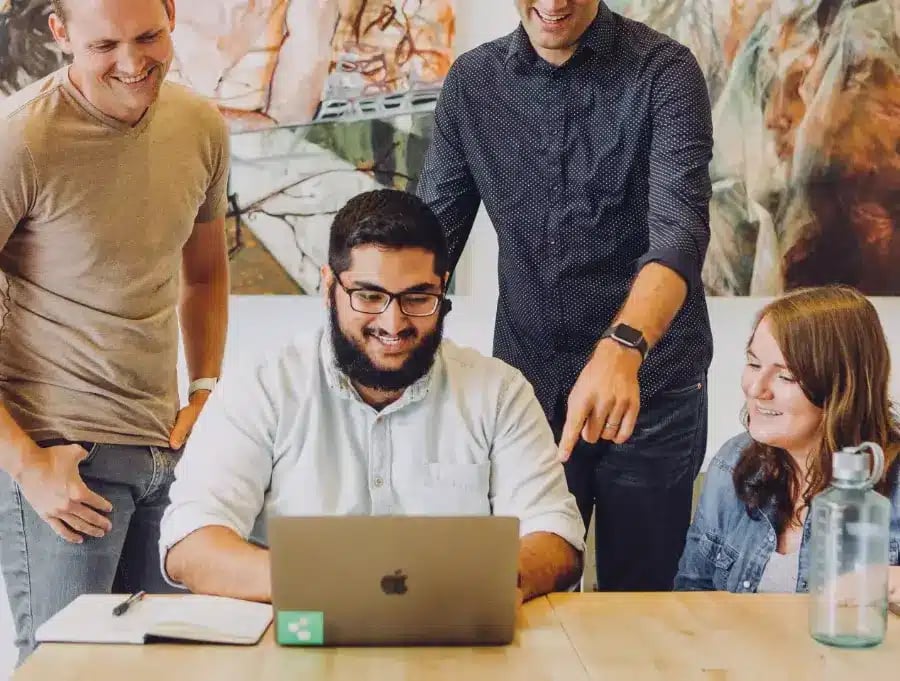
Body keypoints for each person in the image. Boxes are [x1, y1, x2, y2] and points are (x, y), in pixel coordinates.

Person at [159, 189, 585, 603]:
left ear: (443, 287)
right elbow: (190, 541)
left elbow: (556, 533)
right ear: (329, 287)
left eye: (418, 297)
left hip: (455, 646)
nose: (393, 323)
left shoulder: (499, 393)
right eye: (369, 295)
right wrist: (330, 588)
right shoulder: (262, 386)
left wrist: (493, 581)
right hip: (296, 642)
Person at [417, 0, 713, 591]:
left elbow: (679, 234)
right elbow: (428, 237)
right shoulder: (474, 84)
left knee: (641, 606)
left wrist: (622, 348)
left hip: (650, 389)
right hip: (528, 395)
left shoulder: (664, 71)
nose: (552, 4)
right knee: (523, 595)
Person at [0, 0, 230, 661]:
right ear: (60, 34)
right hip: (64, 458)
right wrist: (26, 463)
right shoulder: (22, 139)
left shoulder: (199, 124)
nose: (133, 64)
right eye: (104, 45)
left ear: (173, 16)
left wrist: (206, 388)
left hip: (165, 451)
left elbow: (206, 274)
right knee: (69, 669)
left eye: (148, 37)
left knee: (170, 665)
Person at [675, 286, 900, 598]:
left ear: (843, 387)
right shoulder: (733, 460)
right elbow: (691, 595)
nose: (756, 388)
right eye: (754, 364)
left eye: (786, 377)